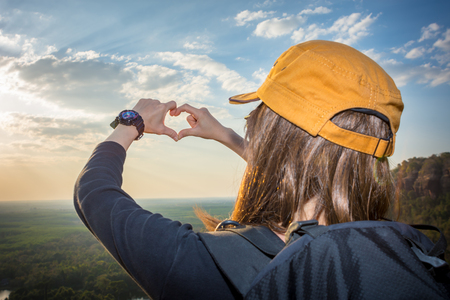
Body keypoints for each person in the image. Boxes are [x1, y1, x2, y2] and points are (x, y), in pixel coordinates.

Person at [74, 40, 404, 299]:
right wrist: (227, 136)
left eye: (258, 116)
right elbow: (309, 176)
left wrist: (130, 122)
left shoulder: (202, 267)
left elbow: (93, 193)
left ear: (272, 130)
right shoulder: (400, 257)